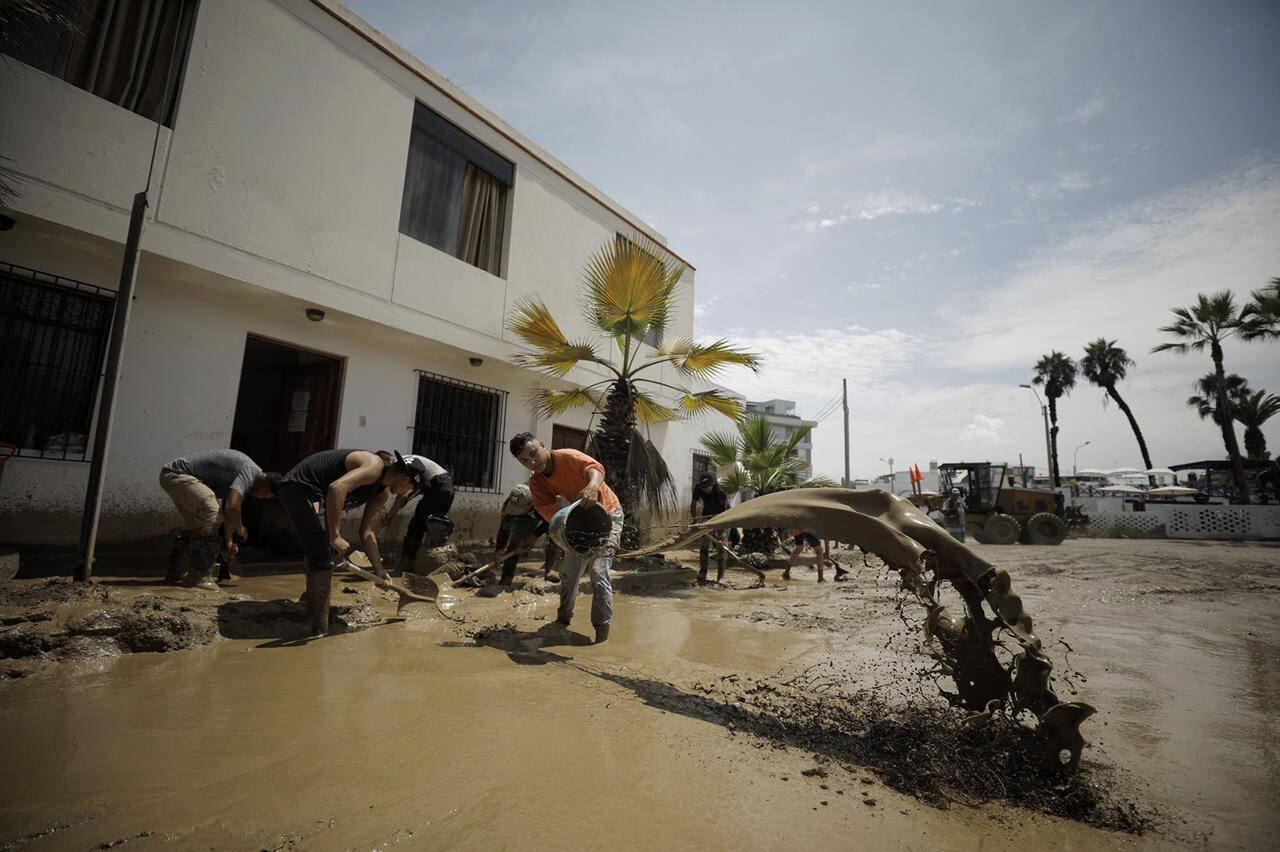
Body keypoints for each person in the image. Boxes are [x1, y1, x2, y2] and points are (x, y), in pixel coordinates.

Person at [278, 449, 426, 637]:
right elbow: (337, 488)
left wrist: (379, 570)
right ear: (405, 479)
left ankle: (310, 606)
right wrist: (335, 536)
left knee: (317, 551)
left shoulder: (381, 494)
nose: (405, 494)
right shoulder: (374, 467)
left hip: (314, 493)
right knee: (323, 555)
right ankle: (319, 630)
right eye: (410, 490)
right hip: (299, 486)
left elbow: (367, 532)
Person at [510, 432, 622, 644]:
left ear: (542, 445)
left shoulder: (567, 457)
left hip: (608, 513)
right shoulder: (537, 482)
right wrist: (564, 510)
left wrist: (592, 486)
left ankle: (601, 633)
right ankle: (562, 621)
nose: (532, 462)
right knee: (570, 573)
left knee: (599, 573)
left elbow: (596, 469)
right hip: (577, 523)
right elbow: (545, 509)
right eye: (525, 460)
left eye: (534, 453)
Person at [159, 449, 280, 590]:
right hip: (178, 474)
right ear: (263, 490)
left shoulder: (246, 481)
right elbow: (232, 507)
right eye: (265, 497)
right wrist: (241, 529)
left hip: (172, 475)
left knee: (195, 527)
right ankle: (200, 577)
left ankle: (176, 573)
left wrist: (229, 541)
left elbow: (228, 512)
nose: (261, 499)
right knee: (212, 514)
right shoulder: (251, 472)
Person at [479, 483, 562, 596]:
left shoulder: (545, 500)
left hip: (549, 518)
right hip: (525, 518)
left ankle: (550, 572)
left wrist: (534, 535)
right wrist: (499, 550)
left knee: (554, 537)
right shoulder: (508, 504)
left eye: (519, 509)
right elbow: (504, 528)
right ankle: (506, 581)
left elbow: (552, 521)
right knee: (514, 543)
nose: (515, 510)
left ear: (530, 503)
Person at [379, 453, 455, 568]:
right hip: (444, 486)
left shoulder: (404, 466)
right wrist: (392, 514)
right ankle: (426, 564)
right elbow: (407, 495)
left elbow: (403, 496)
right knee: (432, 526)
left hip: (439, 485)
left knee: (418, 526)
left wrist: (390, 515)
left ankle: (408, 564)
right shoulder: (407, 464)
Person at [690, 472, 731, 584]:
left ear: (713, 485)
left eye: (707, 488)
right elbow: (693, 503)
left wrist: (721, 536)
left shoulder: (721, 493)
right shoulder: (699, 488)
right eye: (703, 488)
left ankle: (720, 577)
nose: (705, 490)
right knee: (704, 546)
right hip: (707, 516)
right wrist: (695, 519)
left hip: (723, 517)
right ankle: (703, 573)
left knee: (721, 548)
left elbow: (726, 514)